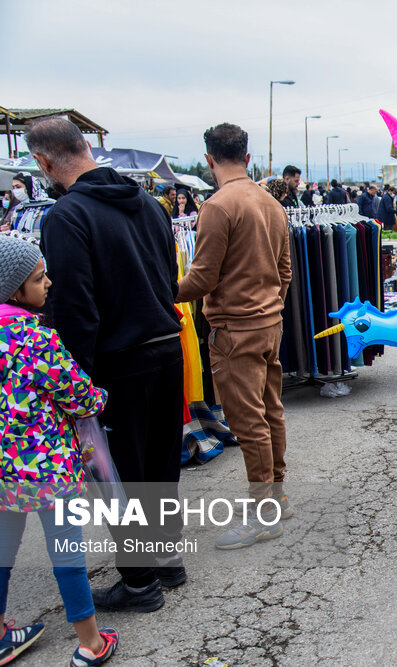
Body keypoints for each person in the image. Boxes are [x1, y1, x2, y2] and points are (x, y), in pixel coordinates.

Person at [28, 117, 185, 613]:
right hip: (165, 345)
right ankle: (166, 561)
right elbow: (168, 278)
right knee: (160, 461)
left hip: (119, 360)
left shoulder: (67, 217)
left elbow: (75, 307)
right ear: (85, 148)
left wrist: (76, 383)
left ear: (44, 162)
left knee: (121, 471)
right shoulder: (151, 205)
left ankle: (140, 582)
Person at [0, 235, 119, 667]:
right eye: (38, 277)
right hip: (49, 469)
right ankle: (90, 641)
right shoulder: (34, 338)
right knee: (67, 552)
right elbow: (80, 396)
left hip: (3, 473)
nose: (48, 282)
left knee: (2, 551)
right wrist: (101, 396)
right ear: (15, 291)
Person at [176, 123, 292, 549]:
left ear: (209, 160)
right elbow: (285, 272)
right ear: (247, 156)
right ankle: (275, 498)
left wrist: (162, 290)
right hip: (268, 324)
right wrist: (268, 305)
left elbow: (202, 277)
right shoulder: (270, 202)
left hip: (235, 329)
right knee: (270, 412)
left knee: (249, 423)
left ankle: (265, 514)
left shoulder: (218, 206)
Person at [3, 173, 55, 238]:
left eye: (18, 187)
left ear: (29, 187)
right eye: (13, 187)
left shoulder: (50, 208)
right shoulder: (18, 209)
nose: (15, 190)